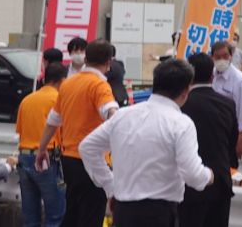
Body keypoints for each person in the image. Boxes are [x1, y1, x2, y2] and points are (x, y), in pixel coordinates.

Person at [79, 58, 213, 227]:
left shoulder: (122, 116)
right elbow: (192, 174)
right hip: (159, 212)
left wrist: (109, 185)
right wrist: (208, 175)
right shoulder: (181, 123)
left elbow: (87, 147)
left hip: (123, 209)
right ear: (186, 91)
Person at [36, 39, 118, 227]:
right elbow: (110, 111)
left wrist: (42, 149)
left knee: (72, 213)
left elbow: (52, 121)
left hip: (69, 160)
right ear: (108, 62)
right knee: (91, 216)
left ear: (86, 58)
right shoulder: (99, 86)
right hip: (92, 161)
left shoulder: (68, 84)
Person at [179, 53, 238, 227]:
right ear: (212, 75)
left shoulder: (182, 104)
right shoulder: (227, 104)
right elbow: (231, 143)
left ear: (188, 76)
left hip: (188, 185)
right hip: (220, 182)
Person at [16, 62, 67, 227]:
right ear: (62, 80)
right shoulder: (57, 100)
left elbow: (20, 131)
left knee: (31, 217)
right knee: (55, 215)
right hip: (46, 158)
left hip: (24, 157)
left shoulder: (27, 100)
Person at [211, 41, 242, 159]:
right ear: (212, 57)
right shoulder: (211, 75)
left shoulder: (240, 81)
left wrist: (241, 138)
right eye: (218, 57)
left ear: (231, 56)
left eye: (225, 56)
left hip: (230, 133)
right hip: (212, 130)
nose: (221, 60)